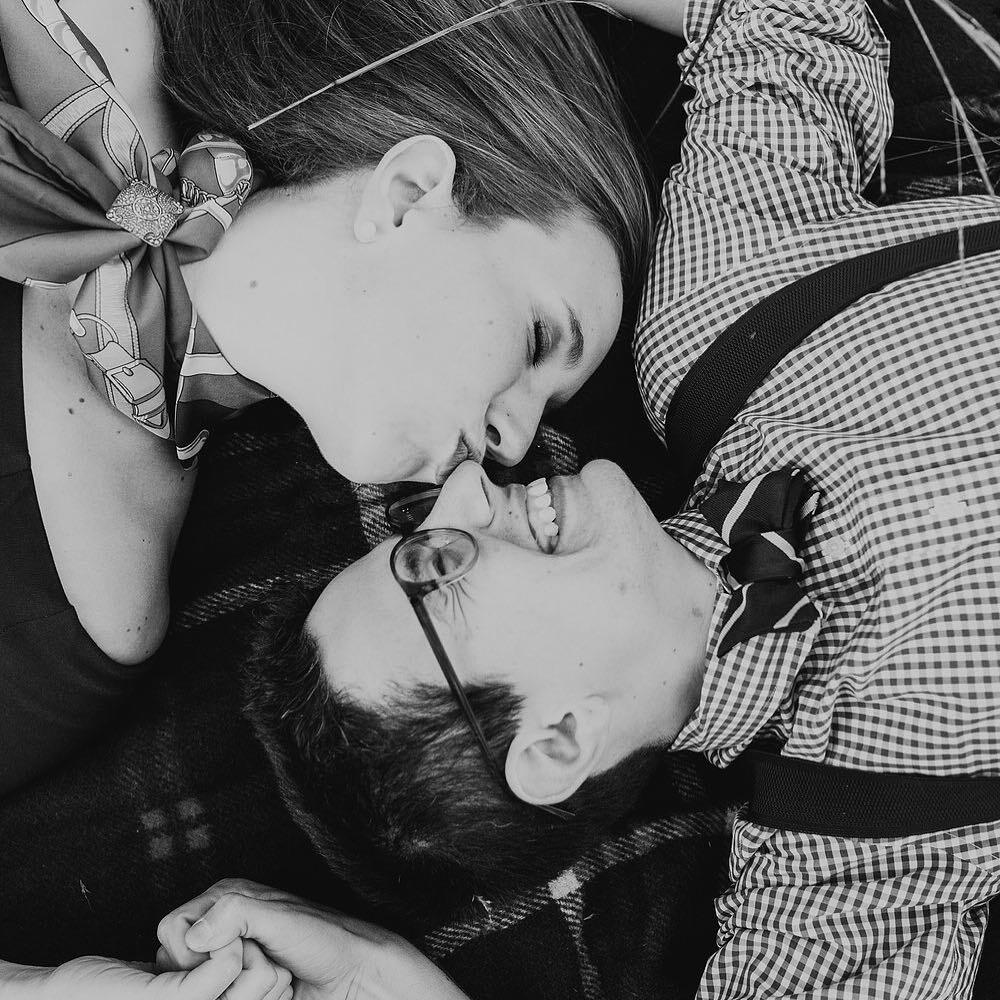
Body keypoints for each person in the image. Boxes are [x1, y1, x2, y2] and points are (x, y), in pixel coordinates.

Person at [144, 0, 1000, 997]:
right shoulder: (862, 849)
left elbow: (772, 14)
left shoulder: (712, 327)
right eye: (437, 565)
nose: (466, 485)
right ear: (557, 742)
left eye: (422, 524)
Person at [0, 0, 650, 798]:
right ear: (410, 192)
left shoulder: (98, 609)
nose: (512, 446)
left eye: (545, 412)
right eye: (539, 340)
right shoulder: (77, 26)